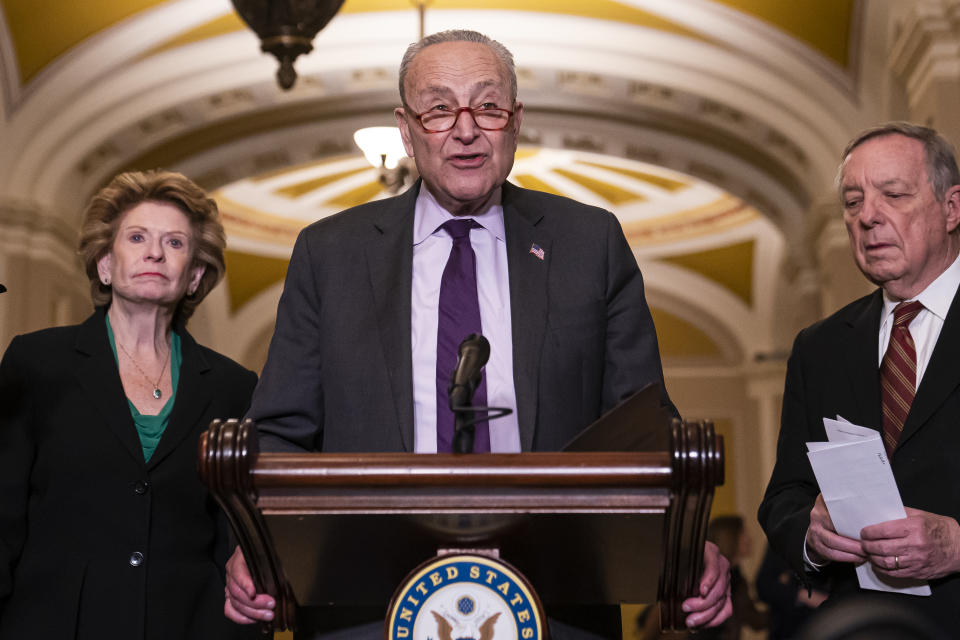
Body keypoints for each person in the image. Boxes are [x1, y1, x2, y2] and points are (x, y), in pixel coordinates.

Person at [224, 29, 732, 638]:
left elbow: (641, 426)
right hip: (363, 601)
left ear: (515, 122)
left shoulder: (588, 243)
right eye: (438, 108)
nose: (466, 130)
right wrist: (258, 544)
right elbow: (279, 433)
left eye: (487, 106)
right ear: (406, 128)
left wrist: (682, 539)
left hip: (555, 594)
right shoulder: (330, 253)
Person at [0, 170, 259, 639]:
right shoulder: (37, 362)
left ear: (195, 275)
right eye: (137, 237)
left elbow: (232, 532)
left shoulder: (234, 387)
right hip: (55, 624)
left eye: (175, 243)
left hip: (188, 625)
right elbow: (2, 514)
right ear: (105, 263)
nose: (154, 252)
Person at [758, 122, 960, 634]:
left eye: (893, 194)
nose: (868, 216)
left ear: (952, 208)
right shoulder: (820, 347)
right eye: (852, 203)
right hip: (862, 624)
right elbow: (785, 495)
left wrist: (957, 545)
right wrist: (811, 533)